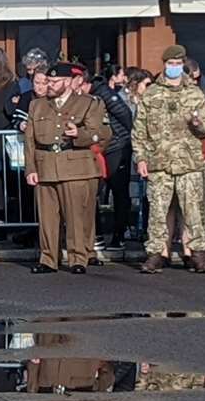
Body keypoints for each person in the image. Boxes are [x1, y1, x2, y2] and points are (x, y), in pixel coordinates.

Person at [133, 45, 205, 274]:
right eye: (170, 64)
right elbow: (140, 130)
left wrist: (198, 125)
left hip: (189, 163)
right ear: (164, 65)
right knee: (159, 211)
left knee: (193, 210)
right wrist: (141, 158)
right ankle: (156, 254)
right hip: (160, 163)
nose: (174, 68)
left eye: (177, 64)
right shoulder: (152, 94)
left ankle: (198, 253)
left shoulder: (195, 93)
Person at [26, 63, 107, 274]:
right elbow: (30, 141)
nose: (49, 86)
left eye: (54, 82)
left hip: (75, 165)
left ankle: (78, 257)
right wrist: (30, 168)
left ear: (69, 82)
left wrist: (79, 135)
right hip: (45, 165)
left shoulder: (88, 103)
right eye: (48, 82)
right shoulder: (37, 106)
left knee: (76, 216)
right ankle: (48, 258)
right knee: (47, 218)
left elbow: (101, 133)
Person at [101, 66, 139, 247]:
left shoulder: (110, 95)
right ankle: (104, 235)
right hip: (107, 147)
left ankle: (119, 233)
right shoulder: (105, 93)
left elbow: (126, 115)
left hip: (117, 147)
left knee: (119, 191)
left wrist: (123, 136)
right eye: (121, 74)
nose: (124, 78)